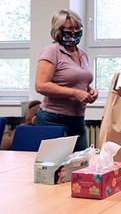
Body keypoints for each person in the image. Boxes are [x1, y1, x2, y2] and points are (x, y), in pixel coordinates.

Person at [35, 9, 98, 152]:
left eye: (77, 28)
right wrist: (75, 93)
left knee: (80, 165)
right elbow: (41, 86)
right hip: (53, 119)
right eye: (69, 28)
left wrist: (90, 91)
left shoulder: (82, 54)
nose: (74, 32)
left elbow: (80, 82)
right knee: (57, 169)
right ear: (58, 30)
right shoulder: (51, 51)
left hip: (78, 120)